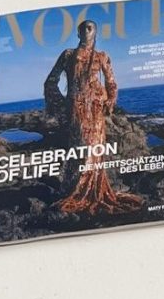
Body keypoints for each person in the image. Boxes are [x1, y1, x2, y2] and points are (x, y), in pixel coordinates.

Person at [42, 18, 144, 217]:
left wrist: (109, 101)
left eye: (90, 28)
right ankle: (75, 189)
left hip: (95, 111)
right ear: (78, 33)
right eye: (83, 28)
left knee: (95, 149)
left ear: (95, 33)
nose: (86, 30)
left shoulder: (102, 56)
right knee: (79, 148)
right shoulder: (68, 55)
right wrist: (63, 103)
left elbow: (112, 83)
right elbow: (50, 81)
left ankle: (92, 189)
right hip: (77, 110)